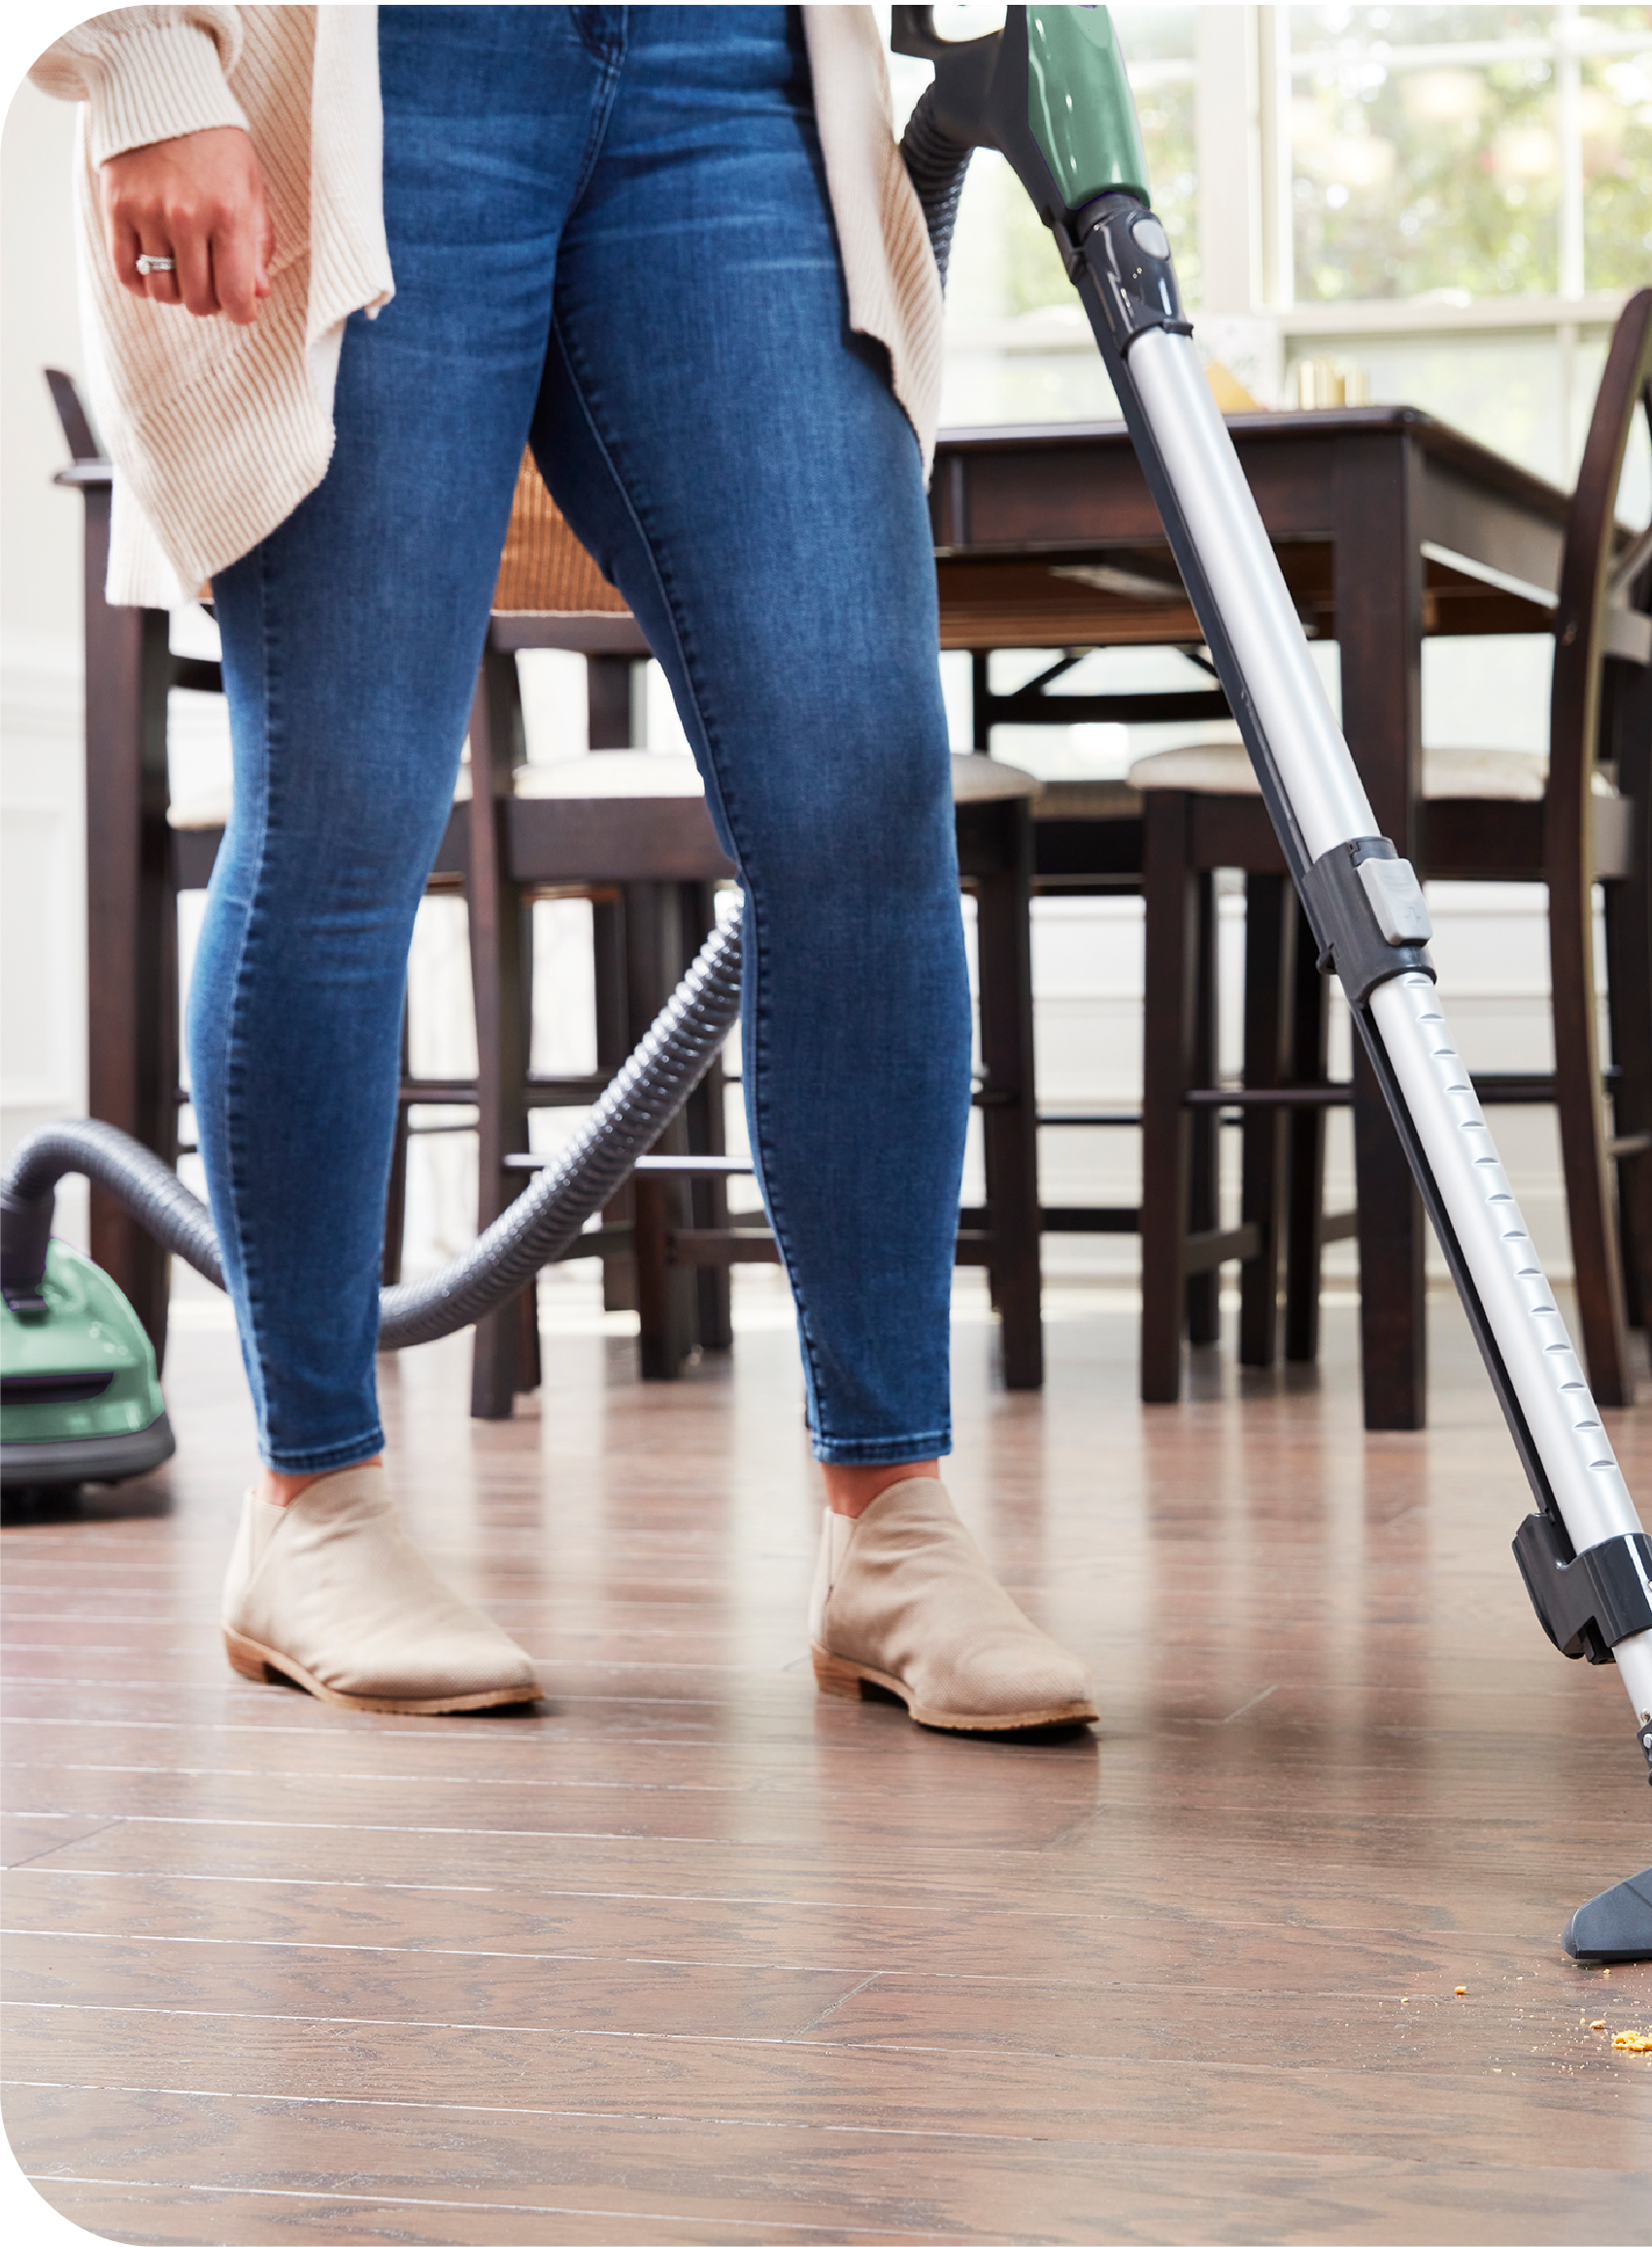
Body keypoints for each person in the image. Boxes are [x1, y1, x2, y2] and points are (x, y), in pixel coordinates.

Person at [33, 5, 1096, 1732]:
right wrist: (150, 71)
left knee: (861, 782)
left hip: (726, 75)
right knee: (348, 806)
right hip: (399, 71)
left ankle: (892, 1522)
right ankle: (316, 1500)